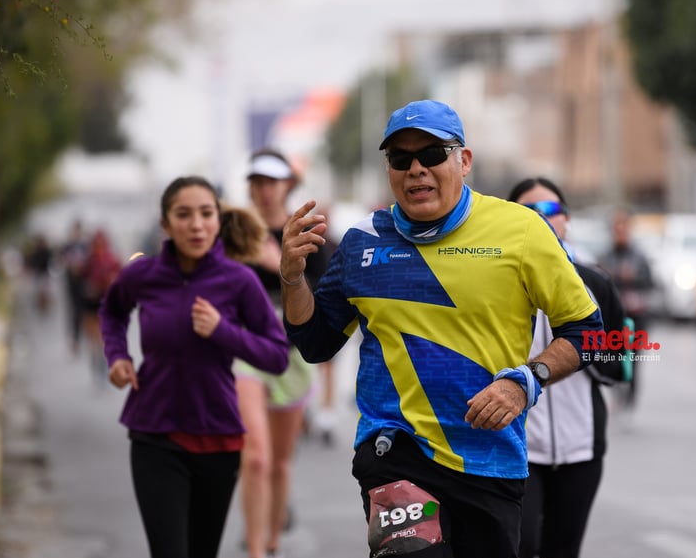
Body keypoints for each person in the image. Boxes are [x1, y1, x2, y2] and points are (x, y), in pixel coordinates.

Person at [279, 99, 604, 558]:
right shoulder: (362, 243)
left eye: (432, 154)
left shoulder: (522, 231)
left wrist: (527, 380)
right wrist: (292, 277)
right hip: (394, 451)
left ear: (464, 161)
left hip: (490, 458)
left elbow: (587, 332)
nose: (416, 169)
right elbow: (314, 344)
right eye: (401, 158)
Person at [99, 176, 291, 558]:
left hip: (217, 438)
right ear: (166, 225)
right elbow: (112, 309)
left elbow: (277, 355)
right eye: (183, 215)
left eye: (206, 213)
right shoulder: (144, 275)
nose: (196, 224)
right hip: (154, 435)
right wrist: (117, 355)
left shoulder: (240, 282)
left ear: (218, 221)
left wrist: (223, 331)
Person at [508, 177, 628, 558]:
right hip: (518, 448)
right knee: (522, 547)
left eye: (550, 211)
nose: (541, 219)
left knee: (564, 550)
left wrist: (588, 351)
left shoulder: (594, 281)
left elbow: (617, 359)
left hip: (581, 449)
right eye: (528, 211)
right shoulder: (497, 280)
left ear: (566, 220)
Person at [234, 148, 332, 558]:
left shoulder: (309, 232)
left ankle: (272, 540)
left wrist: (280, 264)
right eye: (255, 182)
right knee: (256, 457)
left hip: (291, 356)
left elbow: (327, 303)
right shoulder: (234, 233)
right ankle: (255, 547)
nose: (263, 191)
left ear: (286, 186)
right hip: (245, 353)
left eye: (271, 182)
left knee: (279, 462)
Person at [598, 208, 654, 410]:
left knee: (634, 360)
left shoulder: (639, 257)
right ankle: (617, 392)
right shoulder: (605, 256)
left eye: (624, 226)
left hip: (636, 317)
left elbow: (650, 283)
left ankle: (630, 398)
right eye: (616, 226)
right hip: (613, 317)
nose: (620, 230)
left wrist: (633, 278)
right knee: (613, 357)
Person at [80, 228, 122, 389]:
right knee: (94, 343)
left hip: (104, 305)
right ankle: (98, 372)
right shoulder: (90, 260)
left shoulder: (111, 260)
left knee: (102, 342)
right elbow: (82, 280)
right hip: (91, 306)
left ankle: (102, 371)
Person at [58, 219, 89, 355]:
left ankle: (83, 336)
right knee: (73, 310)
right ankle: (75, 339)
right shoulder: (67, 246)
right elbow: (62, 261)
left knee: (83, 310)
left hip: (83, 283)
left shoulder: (85, 246)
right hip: (71, 282)